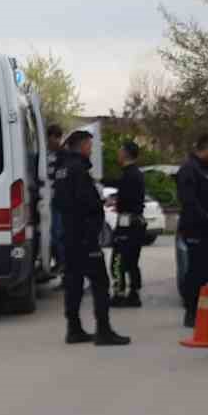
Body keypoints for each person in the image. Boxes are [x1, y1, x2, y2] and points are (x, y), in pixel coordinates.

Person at [54, 130, 131, 346]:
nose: (91, 149)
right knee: (100, 283)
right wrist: (98, 208)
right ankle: (104, 330)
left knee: (74, 282)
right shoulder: (78, 169)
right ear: (81, 146)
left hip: (69, 236)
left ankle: (74, 329)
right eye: (89, 145)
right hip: (85, 237)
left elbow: (60, 202)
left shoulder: (61, 169)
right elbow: (85, 202)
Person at [175, 133, 208, 328]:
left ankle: (201, 312)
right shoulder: (190, 170)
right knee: (196, 271)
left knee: (205, 271)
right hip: (195, 228)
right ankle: (191, 312)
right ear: (207, 148)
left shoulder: (206, 170)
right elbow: (189, 201)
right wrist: (207, 218)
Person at [110, 141, 146, 308]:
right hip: (136, 223)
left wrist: (116, 203)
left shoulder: (128, 175)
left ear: (125, 153)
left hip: (127, 224)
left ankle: (119, 293)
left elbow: (126, 200)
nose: (118, 155)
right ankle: (134, 293)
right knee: (132, 261)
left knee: (118, 260)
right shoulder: (137, 174)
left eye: (120, 151)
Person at [46, 124, 66, 275]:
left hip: (58, 200)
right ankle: (57, 262)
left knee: (57, 232)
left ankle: (62, 263)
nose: (56, 141)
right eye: (54, 138)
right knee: (50, 233)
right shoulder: (43, 153)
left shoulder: (63, 154)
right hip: (45, 198)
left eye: (58, 138)